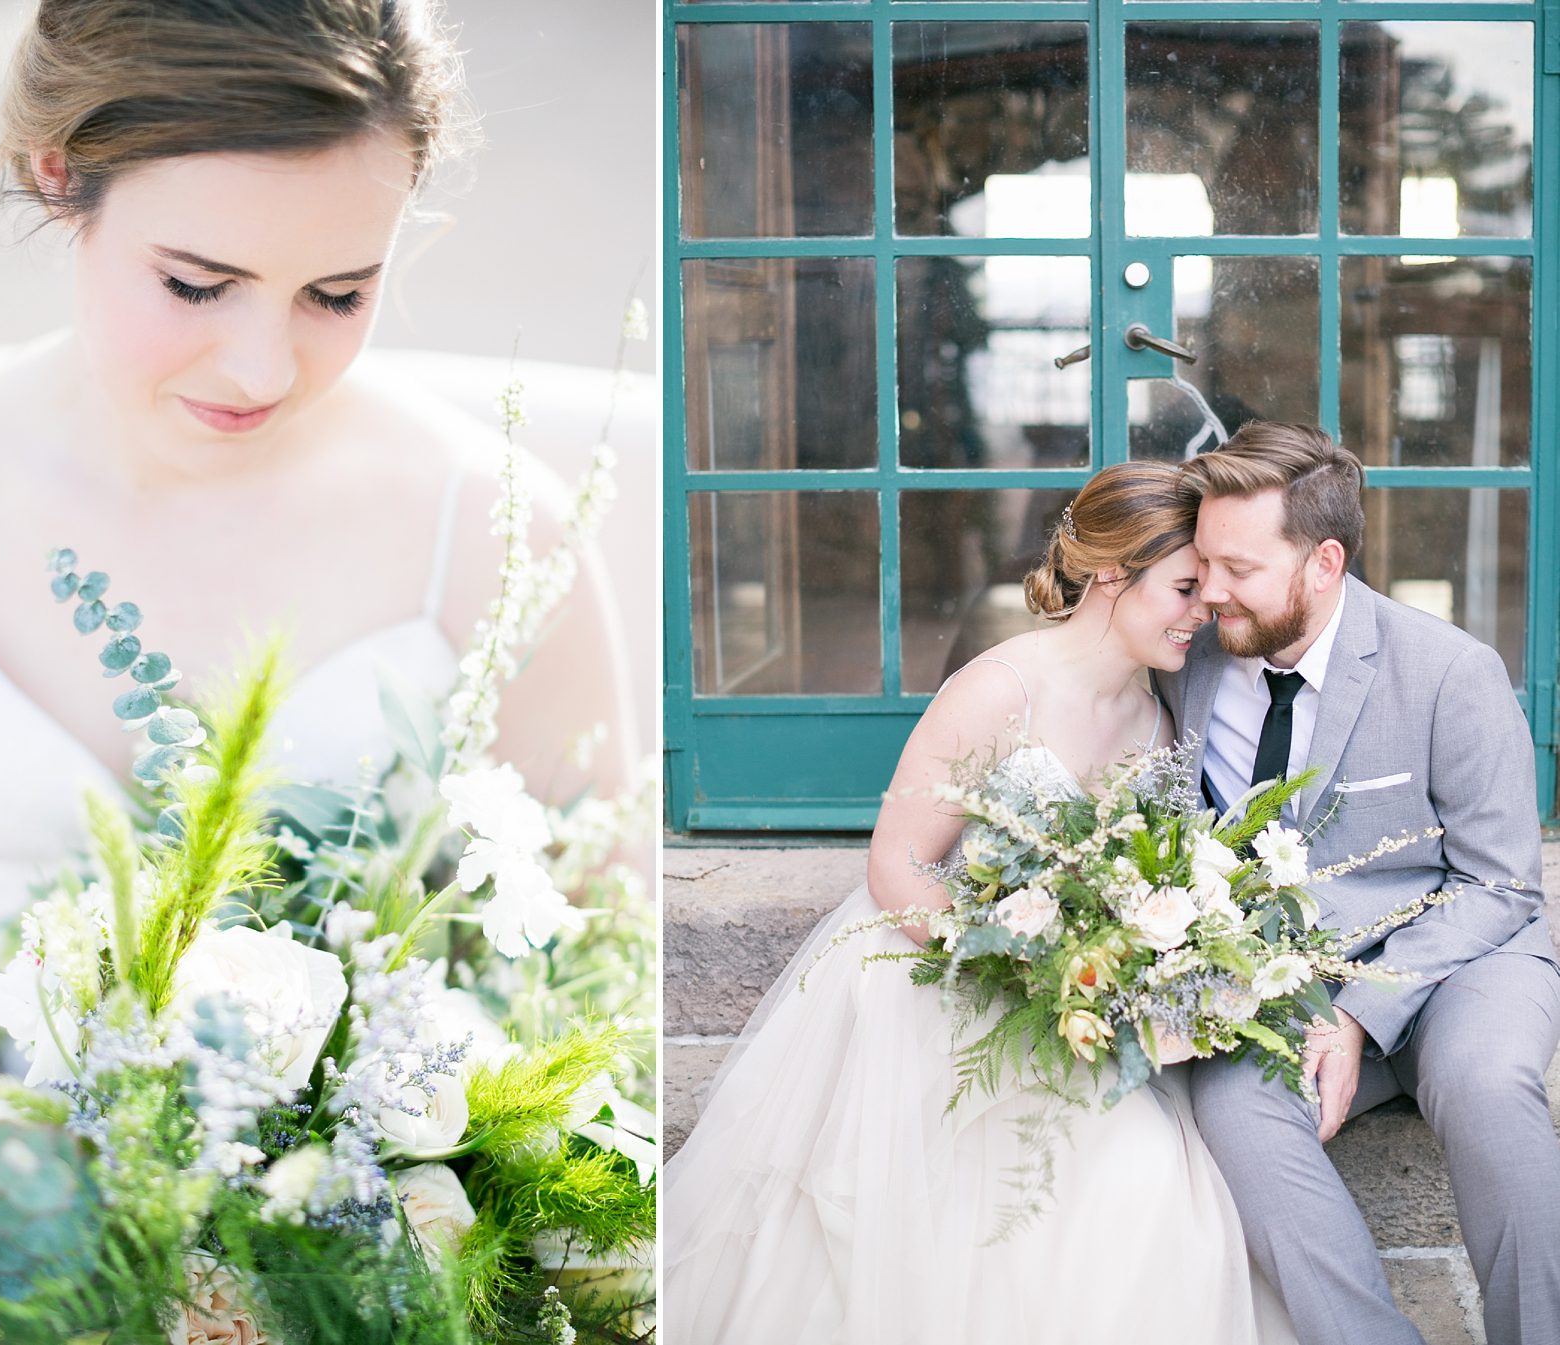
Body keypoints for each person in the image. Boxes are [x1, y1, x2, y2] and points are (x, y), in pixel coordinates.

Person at [0, 0, 636, 1329]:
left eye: (338, 294)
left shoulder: (492, 528)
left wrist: (381, 1168)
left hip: (383, 1170)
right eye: (196, 282)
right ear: (62, 176)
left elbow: (592, 932)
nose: (263, 363)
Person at [664, 463, 1296, 1344]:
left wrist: (1116, 972)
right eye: (1185, 587)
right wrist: (1010, 967)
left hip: (1075, 1009)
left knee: (1152, 1189)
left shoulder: (1158, 721)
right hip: (941, 979)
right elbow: (898, 863)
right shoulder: (1003, 687)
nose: (1202, 611)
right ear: (1112, 573)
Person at [1164, 422, 1560, 1345]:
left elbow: (1503, 888)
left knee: (1488, 1084)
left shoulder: (1453, 672)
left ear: (1324, 562)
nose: (1209, 591)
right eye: (1203, 562)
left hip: (1463, 958)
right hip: (1287, 981)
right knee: (1234, 1099)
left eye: (1239, 568)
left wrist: (1356, 1011)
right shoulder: (1191, 664)